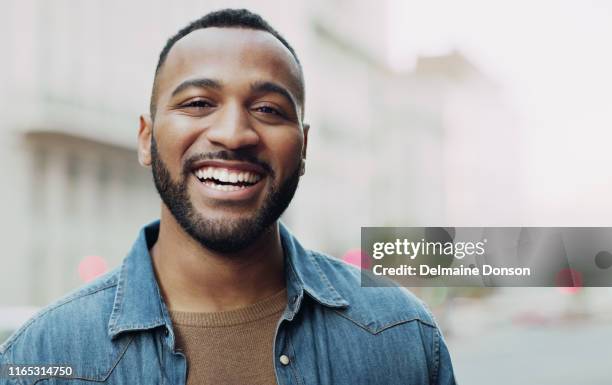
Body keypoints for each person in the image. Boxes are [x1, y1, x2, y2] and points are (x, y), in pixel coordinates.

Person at [0, 8, 456, 385]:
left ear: (303, 148)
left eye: (267, 110)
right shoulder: (41, 358)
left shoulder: (402, 336)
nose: (234, 134)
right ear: (146, 139)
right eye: (198, 103)